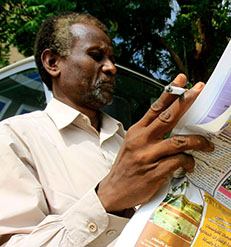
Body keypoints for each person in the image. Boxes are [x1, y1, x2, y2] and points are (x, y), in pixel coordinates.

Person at [0, 12, 214, 246]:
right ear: (53, 62)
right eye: (96, 56)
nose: (111, 68)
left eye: (112, 58)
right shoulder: (15, 138)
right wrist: (105, 200)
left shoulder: (129, 141)